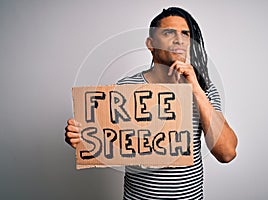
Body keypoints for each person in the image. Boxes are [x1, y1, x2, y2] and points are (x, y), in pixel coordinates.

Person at [65, 7, 238, 199]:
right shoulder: (126, 89)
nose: (179, 39)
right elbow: (109, 142)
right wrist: (82, 138)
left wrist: (195, 88)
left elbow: (227, 153)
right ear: (151, 44)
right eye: (168, 32)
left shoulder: (204, 89)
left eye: (185, 34)